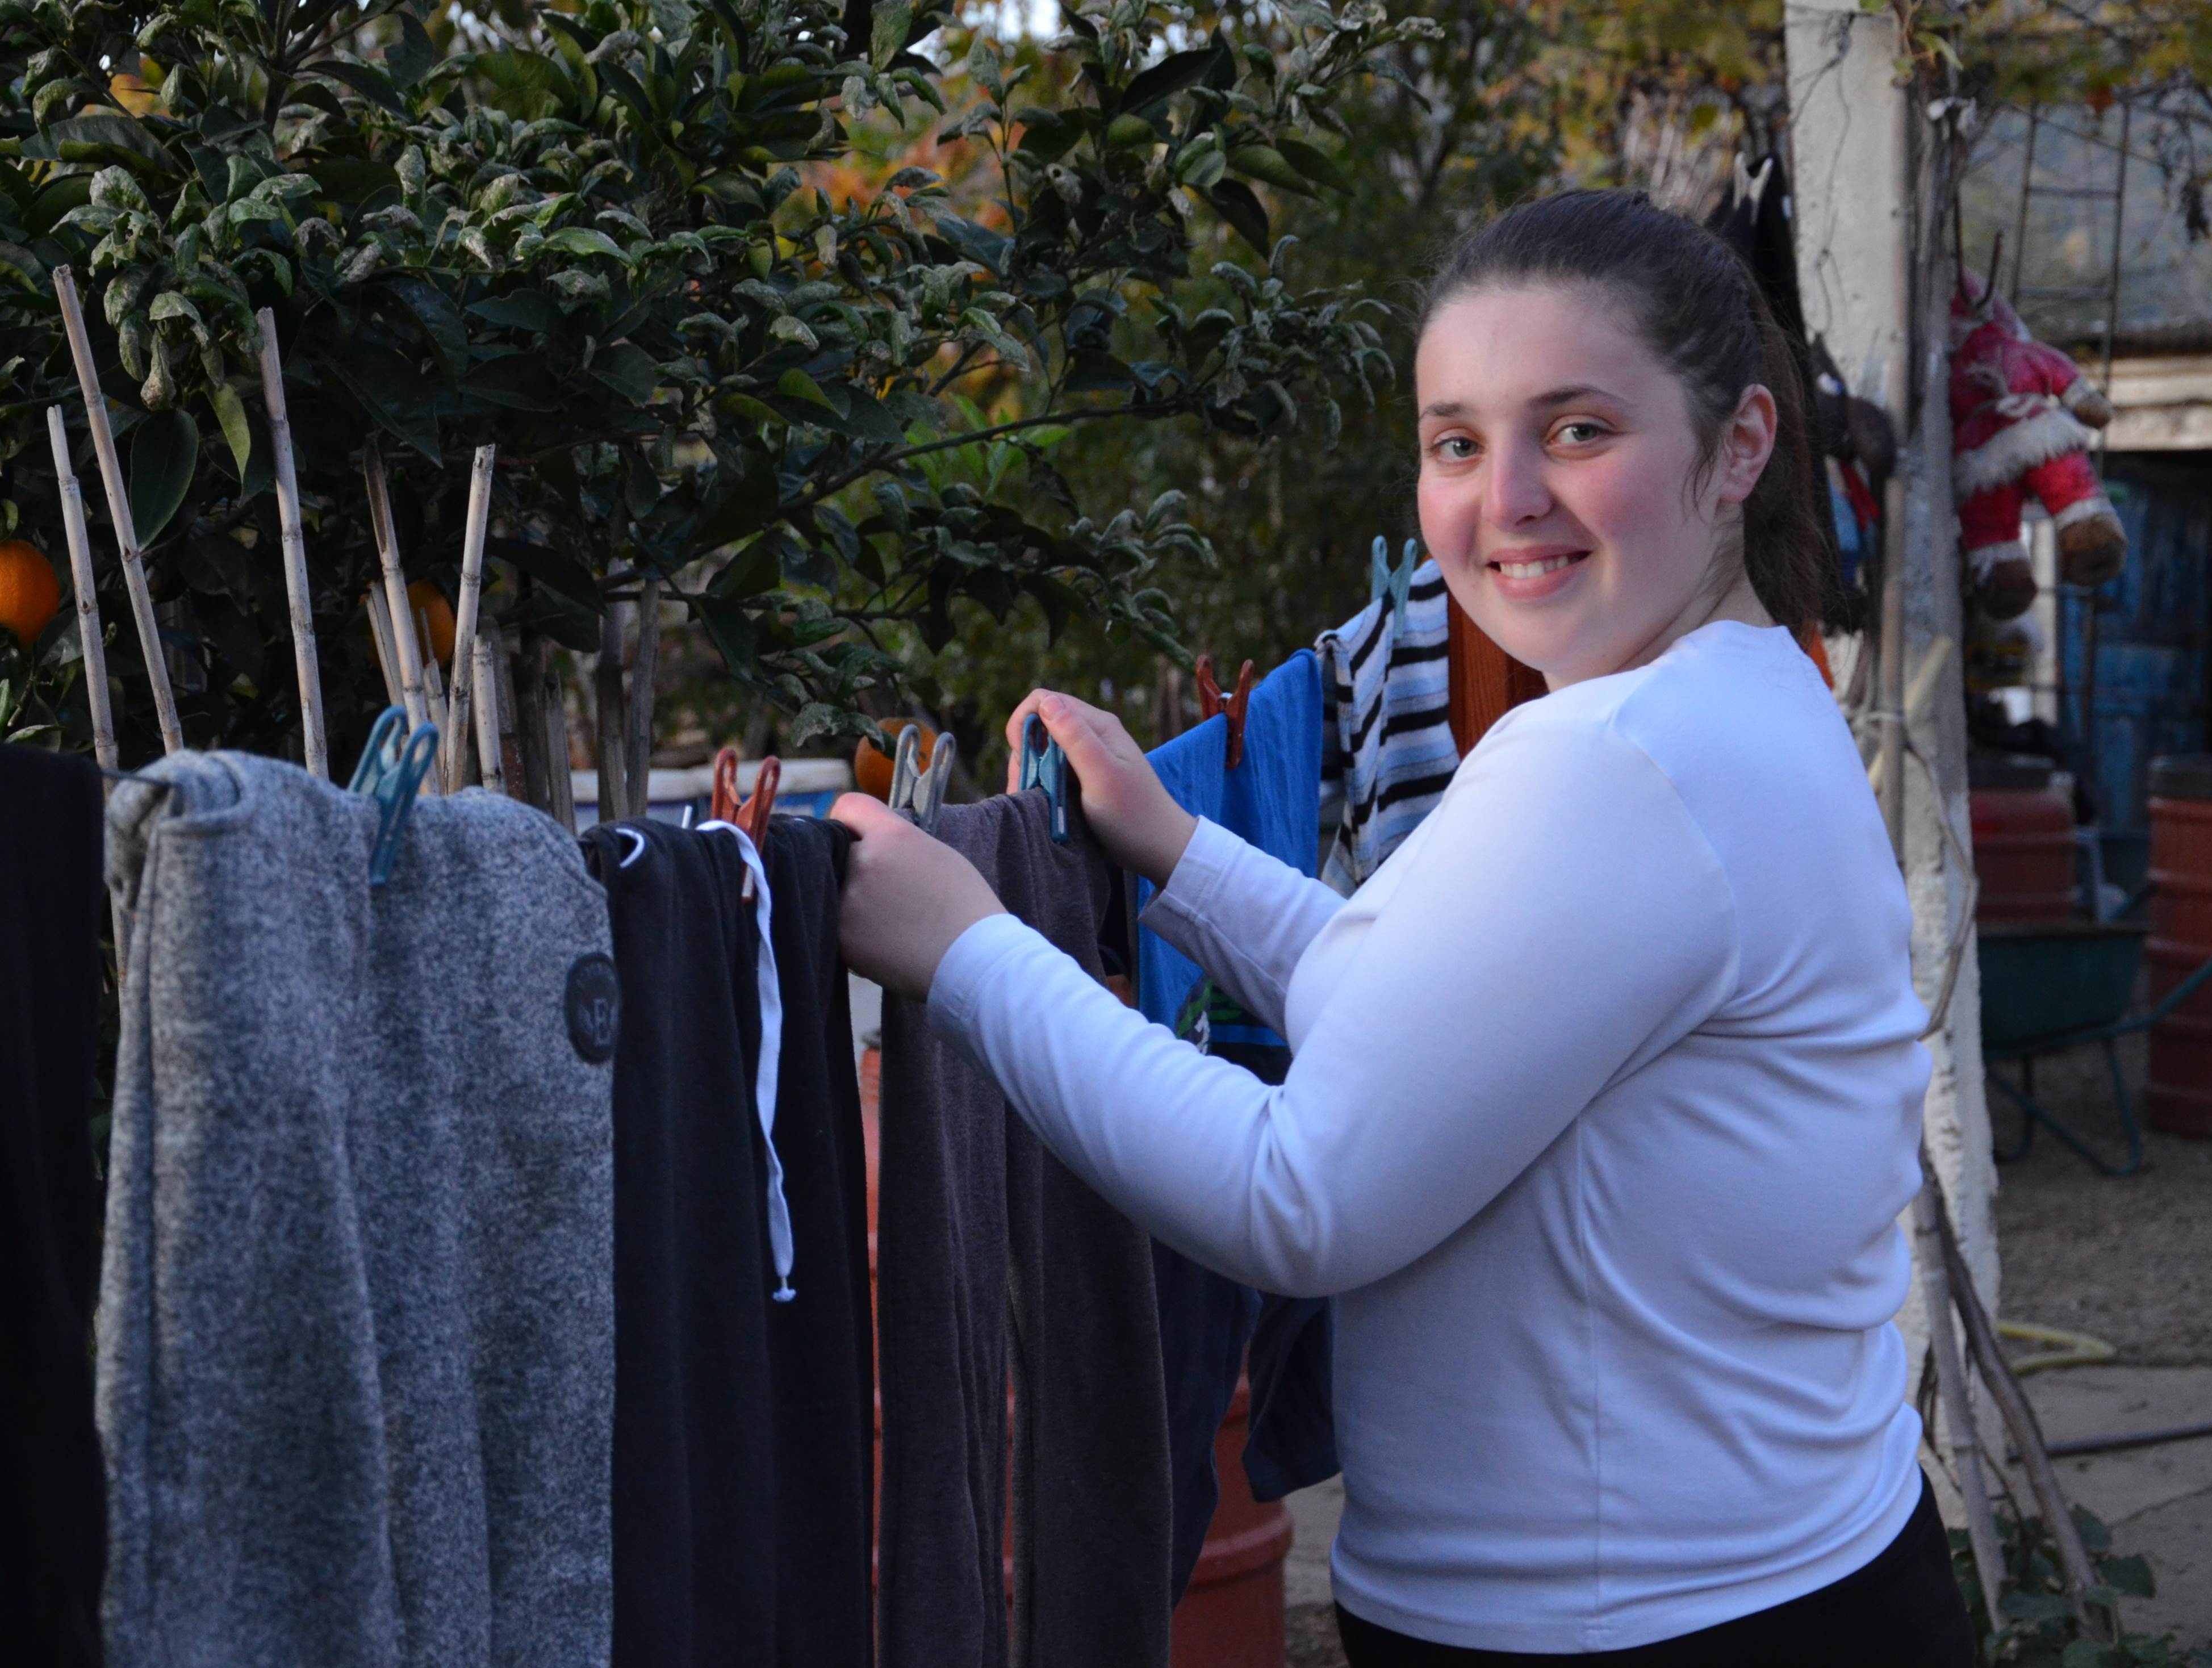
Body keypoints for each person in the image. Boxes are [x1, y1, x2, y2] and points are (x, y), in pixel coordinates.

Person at [829, 190, 1974, 1665]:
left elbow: (1298, 1195)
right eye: (1456, 440)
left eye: (1575, 429)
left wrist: (968, 950)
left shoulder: (1616, 759)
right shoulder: (1750, 698)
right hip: (1787, 1579)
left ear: (1736, 447)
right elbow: (1436, 1019)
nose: (1501, 499)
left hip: (1649, 1629)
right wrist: (1177, 850)